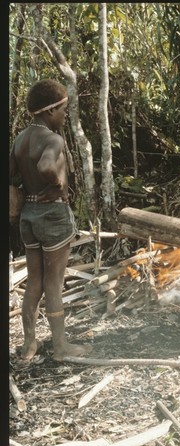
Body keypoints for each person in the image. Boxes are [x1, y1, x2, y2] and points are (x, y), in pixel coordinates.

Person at [9, 78, 92, 361]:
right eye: (63, 109)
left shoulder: (20, 139)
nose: (65, 115)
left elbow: (10, 175)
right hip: (52, 215)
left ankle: (29, 344)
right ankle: (60, 347)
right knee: (54, 283)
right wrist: (57, 184)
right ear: (50, 110)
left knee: (34, 282)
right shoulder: (53, 139)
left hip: (28, 217)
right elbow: (46, 165)